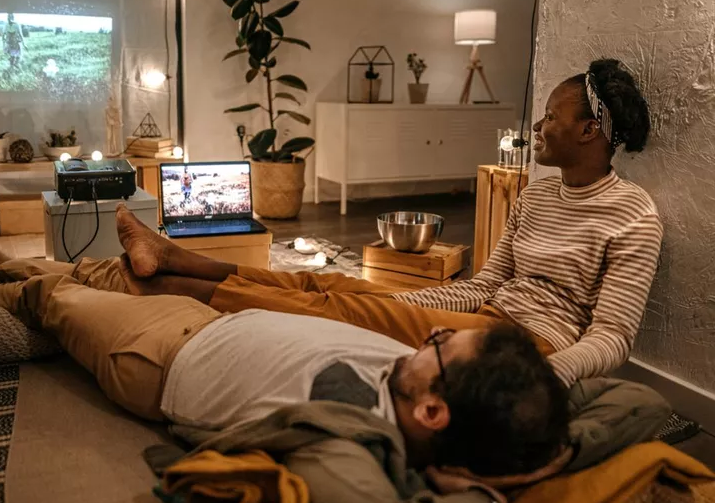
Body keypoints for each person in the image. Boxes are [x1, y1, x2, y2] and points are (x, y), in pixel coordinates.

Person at [0, 207, 670, 503]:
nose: (438, 335)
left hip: (160, 355)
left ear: (431, 413)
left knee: (60, 299)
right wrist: (553, 451)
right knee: (140, 276)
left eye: (442, 347)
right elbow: (635, 405)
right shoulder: (471, 412)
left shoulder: (352, 440)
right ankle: (35, 259)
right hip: (225, 321)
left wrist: (483, 499)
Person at [97, 58, 661, 389]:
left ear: (590, 132)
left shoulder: (634, 217)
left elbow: (611, 337)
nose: (539, 124)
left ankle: (166, 277)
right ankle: (173, 260)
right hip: (490, 313)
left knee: (337, 308)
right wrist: (407, 303)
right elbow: (487, 286)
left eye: (553, 117)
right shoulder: (539, 194)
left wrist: (547, 379)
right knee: (331, 285)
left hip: (526, 347)